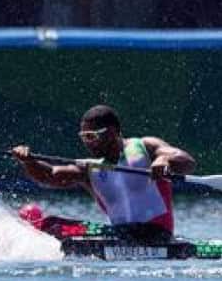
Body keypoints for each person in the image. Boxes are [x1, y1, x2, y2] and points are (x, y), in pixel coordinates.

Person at [11, 104, 195, 243]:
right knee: (50, 224)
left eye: (91, 136)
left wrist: (164, 161)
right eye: (83, 137)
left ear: (112, 132)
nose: (87, 142)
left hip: (157, 235)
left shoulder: (144, 146)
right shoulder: (89, 168)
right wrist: (28, 161)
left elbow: (185, 160)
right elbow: (49, 175)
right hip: (120, 236)